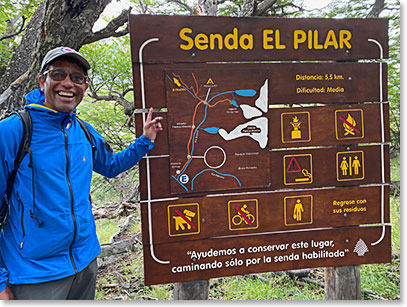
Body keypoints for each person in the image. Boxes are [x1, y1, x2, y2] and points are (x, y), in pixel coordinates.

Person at [0, 46, 163, 300]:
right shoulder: (13, 131)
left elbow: (111, 165)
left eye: (76, 77)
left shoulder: (83, 131)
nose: (67, 83)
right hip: (34, 273)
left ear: (85, 87)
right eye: (58, 75)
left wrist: (144, 141)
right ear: (42, 81)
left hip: (86, 262)